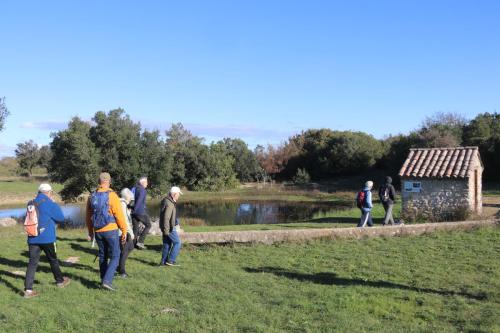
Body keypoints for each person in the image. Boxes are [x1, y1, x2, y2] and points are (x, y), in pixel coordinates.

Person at [24, 183, 70, 298]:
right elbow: (61, 218)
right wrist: (54, 203)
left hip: (33, 237)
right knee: (53, 260)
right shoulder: (50, 203)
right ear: (49, 192)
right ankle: (60, 281)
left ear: (39, 192)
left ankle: (28, 290)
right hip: (47, 238)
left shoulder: (31, 202)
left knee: (32, 263)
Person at [86, 172, 127, 291]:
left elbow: (88, 216)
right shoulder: (112, 195)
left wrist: (90, 231)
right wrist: (124, 230)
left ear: (99, 182)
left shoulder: (92, 196)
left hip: (98, 230)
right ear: (109, 182)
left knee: (103, 255)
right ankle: (107, 281)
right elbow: (119, 215)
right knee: (115, 255)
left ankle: (103, 280)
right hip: (111, 229)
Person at [159, 186, 183, 266]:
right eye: (178, 194)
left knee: (167, 244)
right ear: (174, 194)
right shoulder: (169, 203)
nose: (179, 196)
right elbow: (166, 217)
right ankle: (171, 260)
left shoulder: (167, 201)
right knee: (178, 242)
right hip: (169, 228)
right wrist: (166, 230)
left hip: (165, 227)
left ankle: (163, 262)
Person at [117, 188, 135, 278]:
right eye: (131, 199)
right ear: (127, 197)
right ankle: (122, 271)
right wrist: (131, 233)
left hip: (122, 230)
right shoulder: (122, 204)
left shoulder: (122, 204)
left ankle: (119, 266)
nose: (131, 201)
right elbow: (124, 221)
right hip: (121, 231)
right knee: (125, 249)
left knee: (130, 247)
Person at [132, 176, 151, 250]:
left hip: (134, 212)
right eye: (146, 182)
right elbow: (139, 201)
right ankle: (140, 242)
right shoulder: (143, 190)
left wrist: (133, 211)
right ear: (143, 183)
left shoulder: (135, 188)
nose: (147, 184)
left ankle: (133, 245)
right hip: (139, 211)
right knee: (148, 225)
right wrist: (135, 211)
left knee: (135, 228)